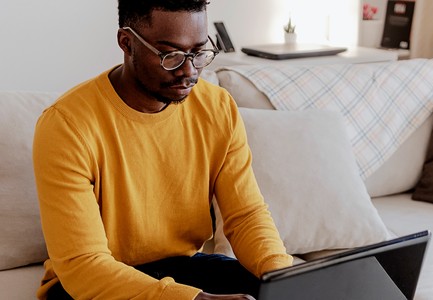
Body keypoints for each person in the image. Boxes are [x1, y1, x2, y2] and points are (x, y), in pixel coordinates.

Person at [32, 0, 293, 299]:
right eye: (171, 55)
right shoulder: (66, 125)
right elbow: (84, 265)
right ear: (127, 43)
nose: (189, 70)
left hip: (182, 266)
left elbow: (246, 215)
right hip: (93, 283)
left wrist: (283, 276)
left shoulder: (218, 107)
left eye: (198, 52)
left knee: (275, 291)